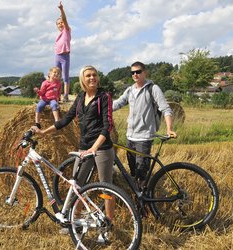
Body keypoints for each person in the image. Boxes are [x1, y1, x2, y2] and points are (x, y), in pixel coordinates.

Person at [32, 65, 115, 235]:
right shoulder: (80, 97)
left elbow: (108, 126)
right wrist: (43, 132)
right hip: (84, 147)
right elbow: (66, 120)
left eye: (94, 75)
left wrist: (94, 147)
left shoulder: (103, 96)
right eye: (88, 76)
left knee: (106, 187)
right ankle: (75, 221)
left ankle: (108, 225)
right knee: (77, 185)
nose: (92, 78)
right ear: (82, 79)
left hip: (101, 148)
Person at [113, 61, 177, 188]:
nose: (135, 74)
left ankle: (144, 201)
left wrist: (169, 128)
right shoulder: (130, 90)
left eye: (138, 72)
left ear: (144, 73)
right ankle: (137, 196)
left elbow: (166, 109)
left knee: (141, 173)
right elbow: (118, 103)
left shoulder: (152, 88)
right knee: (133, 171)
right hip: (130, 137)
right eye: (133, 72)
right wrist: (98, 108)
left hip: (144, 137)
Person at [55, 1, 71, 102]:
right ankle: (57, 95)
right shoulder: (58, 36)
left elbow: (64, 19)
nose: (60, 24)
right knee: (56, 76)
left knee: (65, 77)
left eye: (61, 22)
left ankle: (65, 95)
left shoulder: (67, 31)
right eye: (58, 23)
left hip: (65, 57)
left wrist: (61, 10)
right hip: (57, 56)